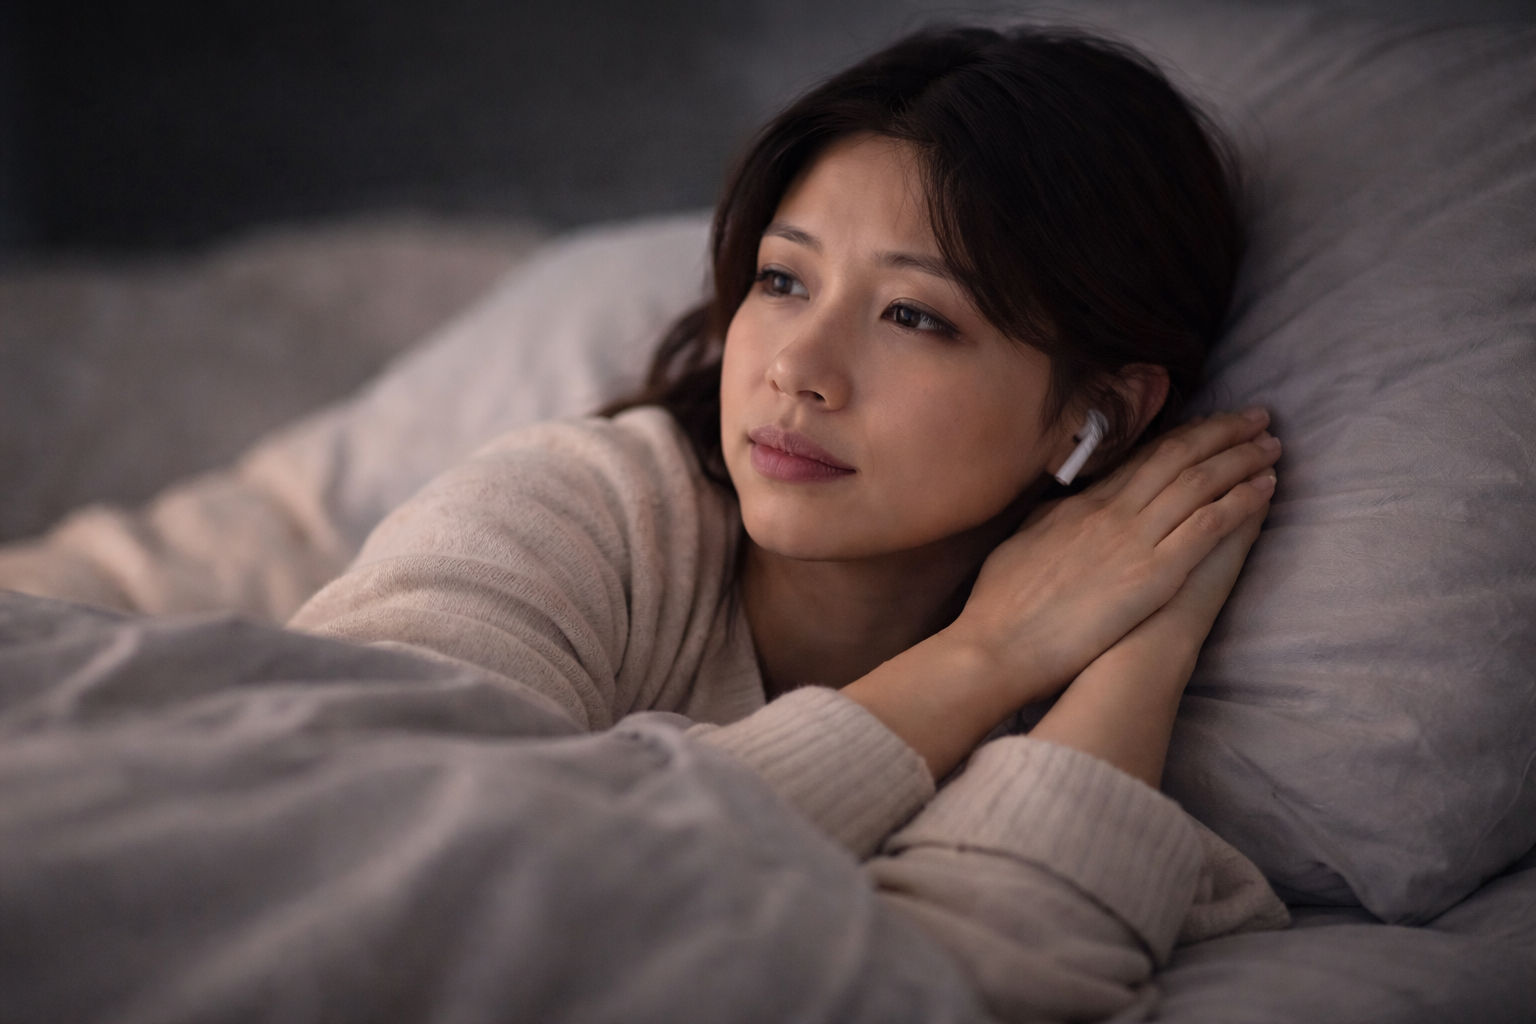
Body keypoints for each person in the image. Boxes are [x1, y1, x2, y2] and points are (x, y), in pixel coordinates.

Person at [290, 23, 1289, 1022]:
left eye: (914, 315)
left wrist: (1150, 636)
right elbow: (389, 852)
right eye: (782, 281)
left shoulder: (1063, 712)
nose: (794, 368)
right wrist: (983, 654)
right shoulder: (575, 506)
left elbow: (989, 990)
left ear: (1096, 415)